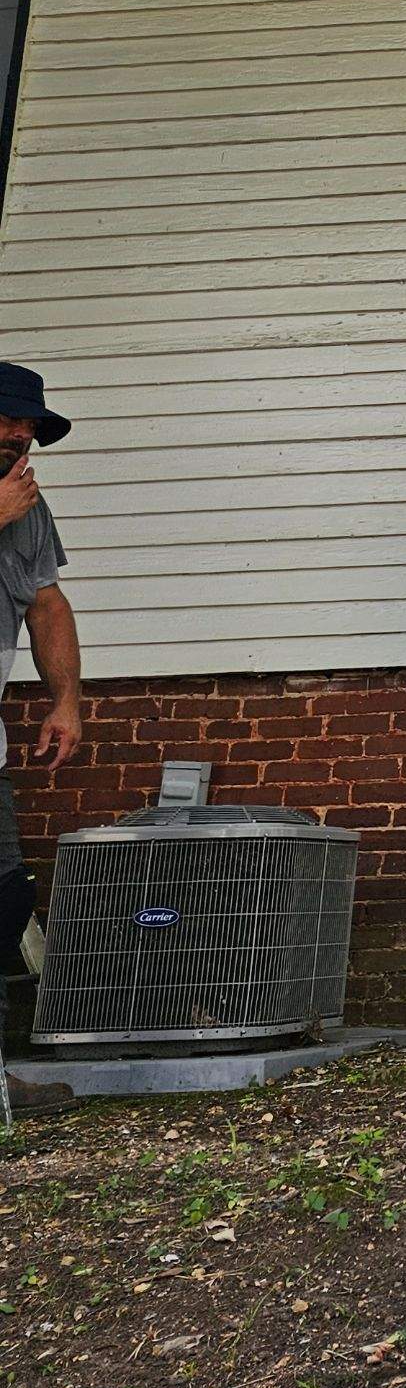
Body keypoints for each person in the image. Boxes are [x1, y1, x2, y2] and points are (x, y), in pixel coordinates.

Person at [0, 364, 80, 972]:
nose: (17, 434)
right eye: (5, 419)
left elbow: (46, 604)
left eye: (26, 425)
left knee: (7, 901)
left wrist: (66, 702)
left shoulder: (26, 502)